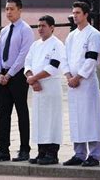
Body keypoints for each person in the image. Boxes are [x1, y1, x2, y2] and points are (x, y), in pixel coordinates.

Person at [0, 0, 34, 163]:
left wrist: (10, 74)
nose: (8, 12)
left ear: (19, 10)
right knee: (3, 114)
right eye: (6, 9)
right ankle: (3, 149)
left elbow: (23, 55)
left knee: (22, 112)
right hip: (3, 76)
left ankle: (24, 149)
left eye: (12, 9)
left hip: (18, 76)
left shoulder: (25, 30)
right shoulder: (5, 30)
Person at [61, 1, 100, 167]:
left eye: (78, 12)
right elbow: (64, 57)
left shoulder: (93, 34)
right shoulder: (71, 36)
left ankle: (94, 154)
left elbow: (91, 59)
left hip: (85, 83)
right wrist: (68, 75)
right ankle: (79, 153)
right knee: (76, 118)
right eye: (74, 13)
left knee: (90, 118)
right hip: (72, 83)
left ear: (86, 14)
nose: (75, 16)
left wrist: (78, 77)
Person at [24, 15, 65, 165]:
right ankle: (41, 151)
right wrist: (31, 78)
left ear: (52, 27)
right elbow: (27, 63)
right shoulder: (35, 45)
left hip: (50, 86)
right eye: (39, 26)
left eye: (44, 26)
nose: (40, 29)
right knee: (39, 120)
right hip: (37, 88)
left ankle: (52, 153)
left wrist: (34, 79)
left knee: (51, 120)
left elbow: (53, 67)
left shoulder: (57, 44)